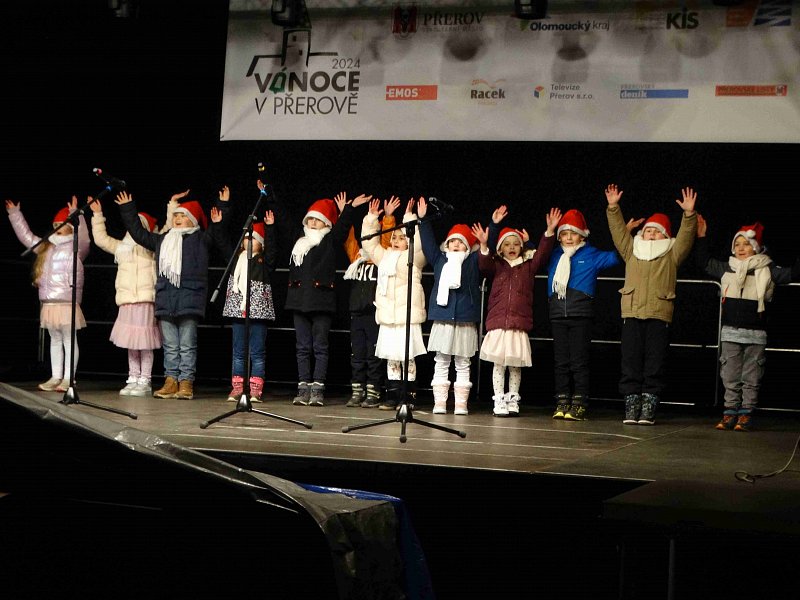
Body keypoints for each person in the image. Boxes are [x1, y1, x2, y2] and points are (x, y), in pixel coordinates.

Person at [116, 187, 228, 400]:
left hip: (190, 299)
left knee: (186, 345)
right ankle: (170, 380)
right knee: (170, 346)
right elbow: (139, 234)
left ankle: (186, 382)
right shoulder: (163, 240)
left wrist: (223, 206)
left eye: (183, 216)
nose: (177, 219)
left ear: (192, 220)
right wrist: (128, 209)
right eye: (176, 215)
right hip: (166, 298)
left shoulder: (201, 239)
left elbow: (218, 232)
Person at [605, 183, 697, 425]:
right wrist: (613, 208)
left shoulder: (671, 253)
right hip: (632, 313)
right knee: (630, 361)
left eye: (657, 232)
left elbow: (686, 237)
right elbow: (618, 233)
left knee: (654, 362)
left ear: (665, 236)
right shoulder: (631, 250)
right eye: (648, 231)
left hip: (658, 314)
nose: (651, 234)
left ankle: (648, 404)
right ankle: (631, 403)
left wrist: (689, 215)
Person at [696, 216, 799, 431]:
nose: (741, 248)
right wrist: (702, 236)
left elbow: (793, 273)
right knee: (730, 375)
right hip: (730, 332)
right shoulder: (727, 268)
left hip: (756, 334)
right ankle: (729, 412)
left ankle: (746, 413)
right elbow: (703, 262)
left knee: (751, 376)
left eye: (746, 244)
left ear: (756, 247)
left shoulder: (768, 269)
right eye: (737, 244)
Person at [475, 205, 560, 417]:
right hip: (498, 323)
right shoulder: (497, 265)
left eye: (515, 244)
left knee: (514, 365)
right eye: (507, 244)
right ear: (500, 248)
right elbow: (483, 265)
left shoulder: (528, 266)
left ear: (521, 247)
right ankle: (499, 400)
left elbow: (542, 255)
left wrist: (549, 232)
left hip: (518, 323)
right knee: (499, 364)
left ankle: (513, 399)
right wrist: (484, 244)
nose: (511, 247)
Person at [286, 192, 369, 407]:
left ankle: (317, 389)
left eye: (318, 219)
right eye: (310, 219)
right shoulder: (299, 240)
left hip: (321, 301)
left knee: (320, 346)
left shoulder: (329, 240)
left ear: (326, 222)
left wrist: (347, 210)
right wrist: (269, 196)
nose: (313, 222)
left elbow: (342, 229)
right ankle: (303, 388)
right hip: (299, 301)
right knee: (302, 347)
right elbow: (283, 219)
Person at [419, 207, 500, 415]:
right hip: (443, 317)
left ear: (468, 246)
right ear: (446, 244)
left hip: (465, 317)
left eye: (461, 241)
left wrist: (492, 228)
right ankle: (439, 402)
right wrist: (423, 219)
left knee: (463, 362)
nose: (456, 244)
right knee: (441, 360)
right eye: (452, 241)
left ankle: (461, 403)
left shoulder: (473, 260)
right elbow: (427, 243)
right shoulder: (439, 259)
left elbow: (487, 257)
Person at [6, 196, 89, 392]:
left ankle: (69, 378)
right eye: (55, 225)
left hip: (66, 301)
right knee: (55, 340)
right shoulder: (46, 246)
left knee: (69, 339)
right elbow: (27, 238)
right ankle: (55, 376)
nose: (57, 228)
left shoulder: (76, 247)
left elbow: (85, 238)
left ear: (71, 227)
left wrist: (75, 214)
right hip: (49, 301)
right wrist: (15, 214)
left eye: (62, 224)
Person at [546, 209, 621, 421]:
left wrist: (624, 233)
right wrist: (548, 232)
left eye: (574, 233)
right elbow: (538, 254)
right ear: (559, 237)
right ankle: (562, 401)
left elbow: (619, 255)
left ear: (583, 236)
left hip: (581, 315)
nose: (569, 238)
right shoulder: (554, 255)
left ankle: (579, 403)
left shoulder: (591, 254)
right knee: (561, 362)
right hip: (557, 314)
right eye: (564, 233)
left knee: (579, 362)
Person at [89, 197, 161, 396]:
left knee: (144, 342)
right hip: (127, 300)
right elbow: (101, 239)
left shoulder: (152, 247)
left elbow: (168, 230)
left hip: (145, 299)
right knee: (131, 342)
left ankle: (145, 380)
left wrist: (171, 208)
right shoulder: (121, 247)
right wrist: (97, 214)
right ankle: (133, 377)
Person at [361, 198, 427, 411]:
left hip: (407, 316)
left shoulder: (415, 257)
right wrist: (372, 219)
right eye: (394, 237)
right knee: (391, 358)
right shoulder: (385, 256)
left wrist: (410, 218)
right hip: (389, 316)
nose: (397, 240)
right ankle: (392, 394)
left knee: (407, 357)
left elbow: (420, 243)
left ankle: (408, 395)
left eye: (402, 237)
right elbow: (369, 244)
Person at [219, 198, 277, 403]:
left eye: (253, 238)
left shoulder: (263, 261)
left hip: (258, 312)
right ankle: (237, 387)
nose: (249, 242)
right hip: (238, 311)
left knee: (257, 352)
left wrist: (270, 229)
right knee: (238, 352)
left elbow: (273, 251)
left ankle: (255, 390)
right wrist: (219, 224)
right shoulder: (236, 258)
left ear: (261, 243)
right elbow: (222, 242)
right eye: (246, 238)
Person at [342, 194, 397, 409]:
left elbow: (386, 239)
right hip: (357, 313)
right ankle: (358, 390)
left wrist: (388, 218)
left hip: (374, 314)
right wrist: (346, 211)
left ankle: (373, 391)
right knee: (357, 355)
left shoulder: (381, 257)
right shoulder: (356, 257)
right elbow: (348, 238)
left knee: (374, 355)